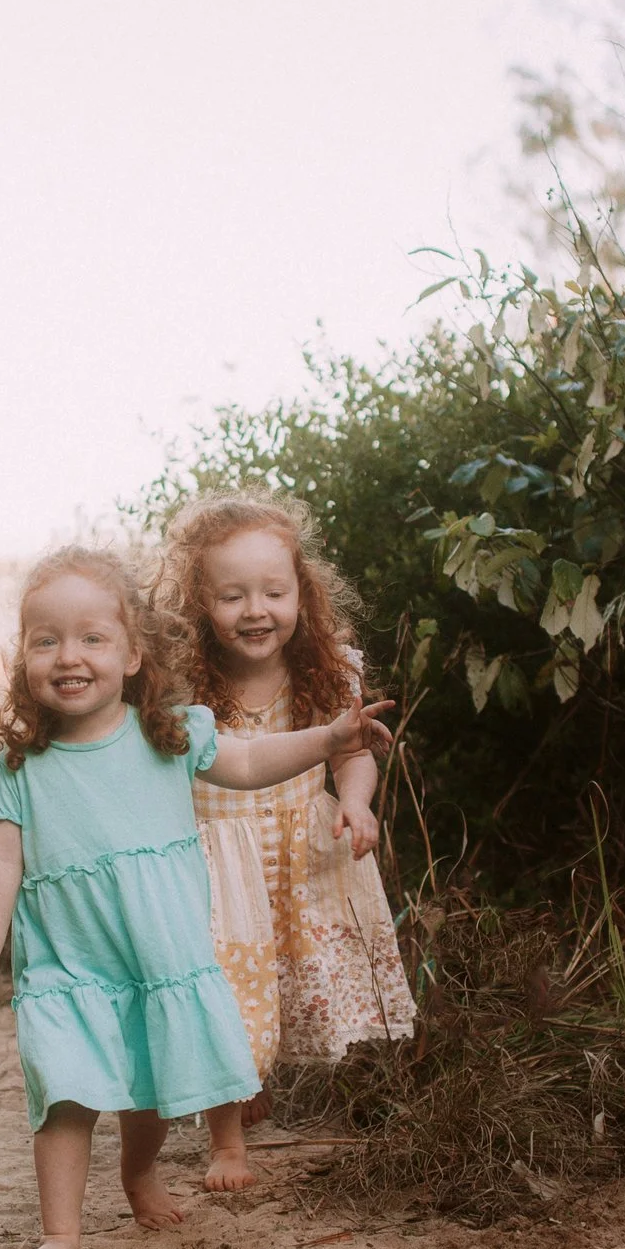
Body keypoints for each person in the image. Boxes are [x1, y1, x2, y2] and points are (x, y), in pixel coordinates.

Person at [0, 546, 393, 1249]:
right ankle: (61, 1230)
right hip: (68, 965)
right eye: (46, 640)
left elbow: (249, 762)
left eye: (93, 638)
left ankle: (137, 1172)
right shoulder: (17, 763)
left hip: (157, 956)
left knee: (149, 1096)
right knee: (63, 1093)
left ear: (131, 654)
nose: (70, 655)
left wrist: (329, 739)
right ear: (22, 656)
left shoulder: (167, 733)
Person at [153, 493, 418, 1190]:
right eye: (232, 595)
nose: (256, 610)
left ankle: (272, 1078)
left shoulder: (326, 668)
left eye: (275, 591)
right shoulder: (185, 683)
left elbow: (352, 751)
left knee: (287, 983)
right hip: (219, 861)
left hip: (301, 854)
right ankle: (228, 1141)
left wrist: (357, 802)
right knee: (227, 994)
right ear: (198, 600)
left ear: (303, 590)